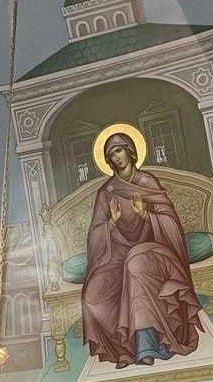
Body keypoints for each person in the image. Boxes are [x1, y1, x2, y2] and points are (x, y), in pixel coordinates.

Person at [81, 131, 201, 367]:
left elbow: (170, 223)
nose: (116, 157)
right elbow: (94, 236)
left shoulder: (146, 182)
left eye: (118, 150)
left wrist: (145, 215)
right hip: (116, 254)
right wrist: (111, 223)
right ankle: (123, 350)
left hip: (154, 251)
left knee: (134, 264)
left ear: (130, 151)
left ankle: (147, 346)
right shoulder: (106, 192)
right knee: (91, 296)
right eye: (110, 155)